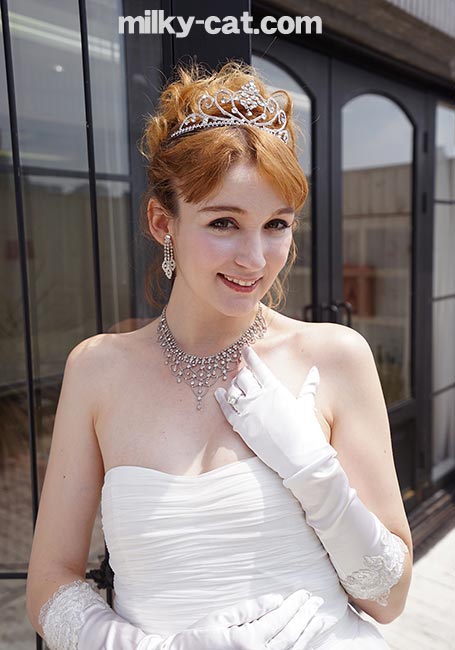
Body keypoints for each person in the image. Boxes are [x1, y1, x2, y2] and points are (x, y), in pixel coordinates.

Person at [25, 60, 412, 650]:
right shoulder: (97, 369)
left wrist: (315, 475)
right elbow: (49, 583)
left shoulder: (335, 358)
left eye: (276, 224)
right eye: (224, 222)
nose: (255, 259)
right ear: (163, 222)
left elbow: (389, 599)